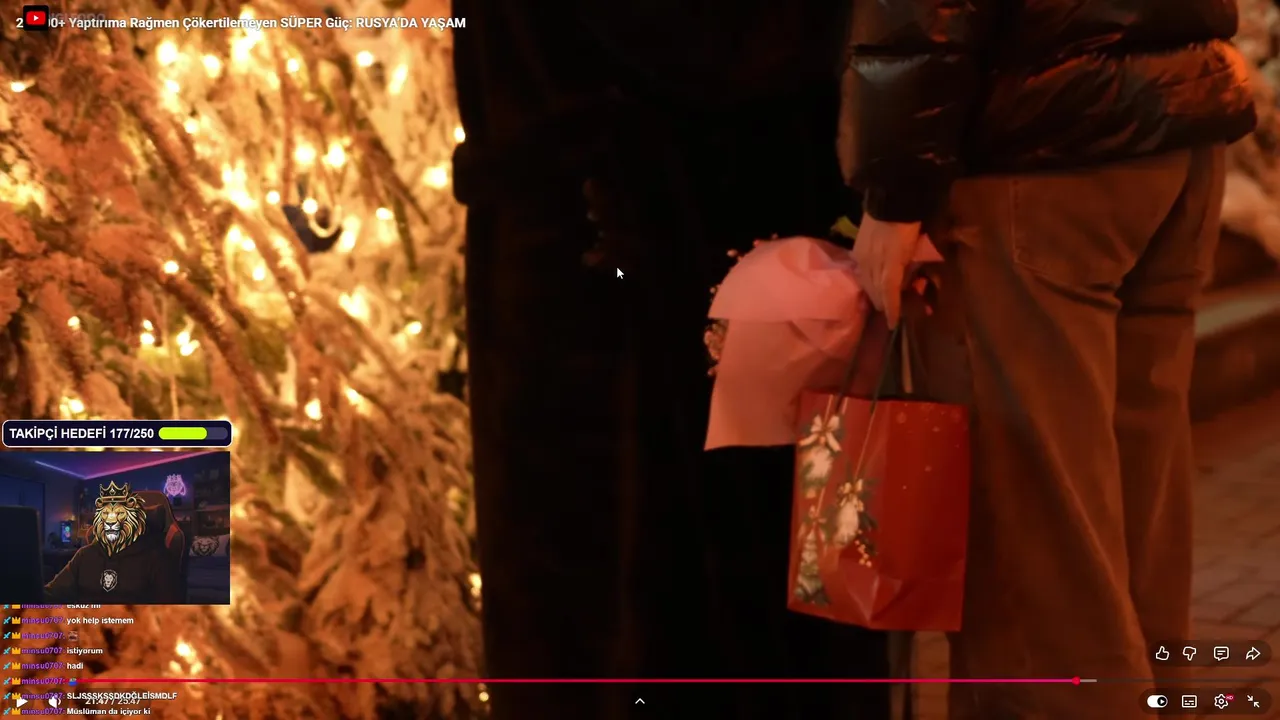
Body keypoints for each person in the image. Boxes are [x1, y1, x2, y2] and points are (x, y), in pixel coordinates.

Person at [451, 2, 893, 718]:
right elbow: (713, 45)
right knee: (658, 610)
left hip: (637, 244)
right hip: (645, 243)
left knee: (608, 609)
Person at [839, 1, 1256, 718]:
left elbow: (921, 16)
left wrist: (895, 189)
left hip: (1036, 144)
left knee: (1034, 533)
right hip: (1176, 120)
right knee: (1134, 501)